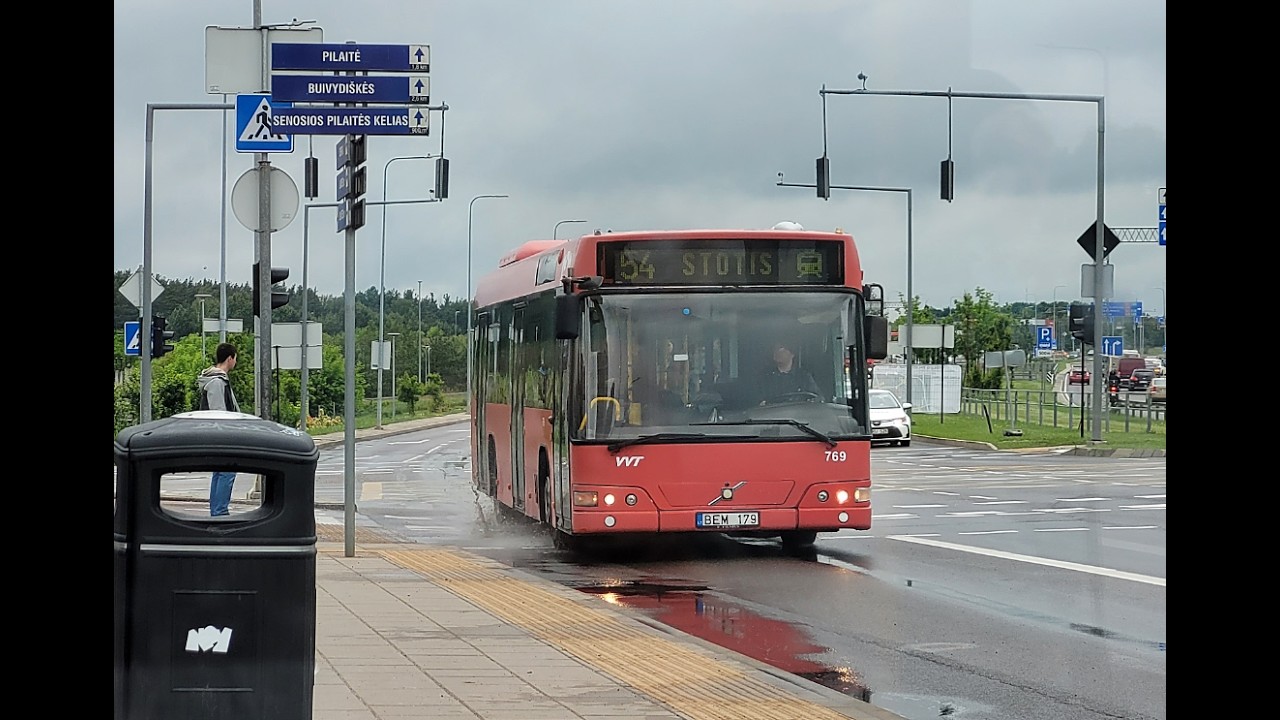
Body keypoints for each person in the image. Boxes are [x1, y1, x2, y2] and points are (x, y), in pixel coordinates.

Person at [198, 342, 240, 516]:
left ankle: (218, 511)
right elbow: (219, 412)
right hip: (223, 435)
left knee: (221, 472)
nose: (235, 362)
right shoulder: (216, 382)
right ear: (230, 358)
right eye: (235, 358)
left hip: (219, 434)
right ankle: (219, 512)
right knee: (227, 471)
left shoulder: (218, 380)